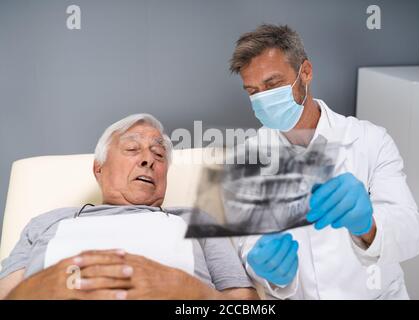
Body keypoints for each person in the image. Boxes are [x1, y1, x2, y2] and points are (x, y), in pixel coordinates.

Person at [229, 24, 419, 299]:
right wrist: (265, 268)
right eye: (253, 91)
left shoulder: (369, 140)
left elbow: (413, 235)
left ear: (306, 72)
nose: (263, 99)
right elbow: (249, 246)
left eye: (272, 84)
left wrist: (368, 225)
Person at [0, 114, 258, 300]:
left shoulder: (197, 221)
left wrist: (192, 291)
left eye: (159, 155)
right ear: (99, 168)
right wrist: (37, 289)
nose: (148, 159)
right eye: (132, 148)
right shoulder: (47, 222)